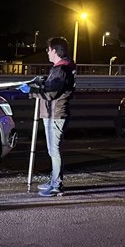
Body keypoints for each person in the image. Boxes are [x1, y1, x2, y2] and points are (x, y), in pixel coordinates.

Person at [34, 36, 76, 196]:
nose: (47, 53)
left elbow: (51, 93)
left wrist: (32, 92)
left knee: (54, 150)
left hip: (56, 114)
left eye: (48, 49)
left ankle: (57, 185)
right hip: (53, 113)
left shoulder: (61, 70)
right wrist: (43, 83)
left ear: (54, 50)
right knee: (53, 150)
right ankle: (53, 180)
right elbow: (53, 86)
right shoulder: (62, 68)